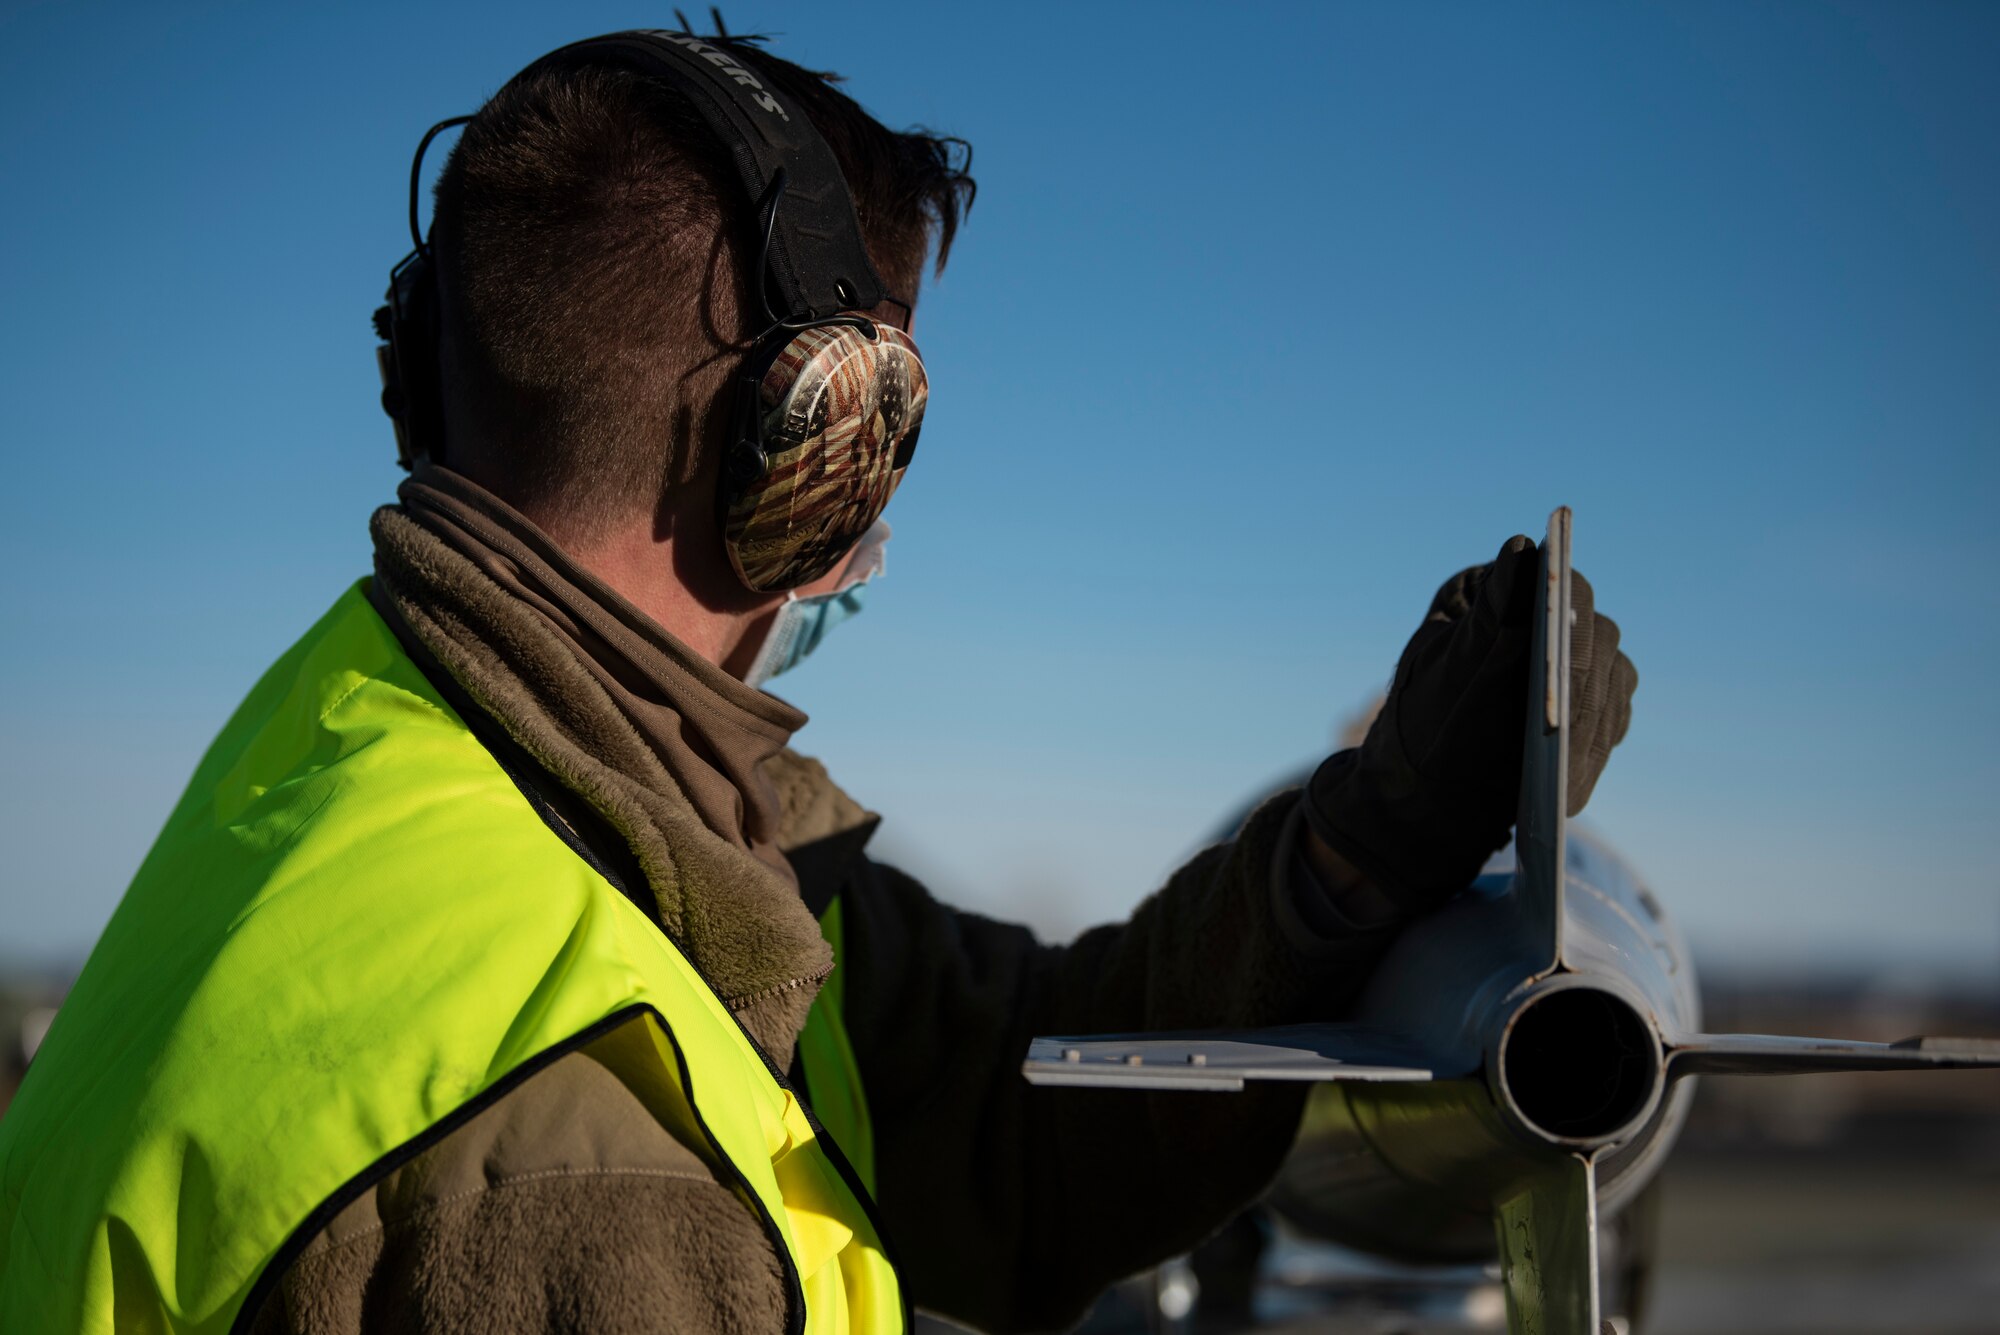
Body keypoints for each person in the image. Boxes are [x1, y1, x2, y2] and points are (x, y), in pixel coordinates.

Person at [0, 25, 1636, 1335]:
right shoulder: (588, 1149)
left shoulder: (416, 750)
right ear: (816, 447)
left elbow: (1006, 1101)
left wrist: (1359, 853)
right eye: (883, 430)